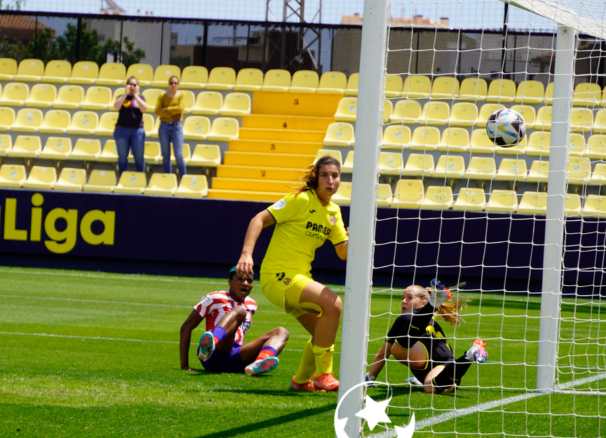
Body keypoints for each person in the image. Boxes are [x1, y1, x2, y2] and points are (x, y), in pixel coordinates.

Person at [236, 155, 349, 392]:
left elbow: (343, 253)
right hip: (278, 276)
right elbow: (258, 219)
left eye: (335, 176)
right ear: (316, 178)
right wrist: (246, 254)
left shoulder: (334, 212)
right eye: (325, 175)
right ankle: (324, 375)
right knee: (335, 304)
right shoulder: (300, 200)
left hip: (299, 279)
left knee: (322, 331)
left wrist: (356, 235)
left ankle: (301, 380)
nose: (330, 180)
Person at [366, 281, 487, 394]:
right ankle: (468, 357)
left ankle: (433, 304)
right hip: (440, 365)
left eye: (409, 298)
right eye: (402, 297)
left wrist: (370, 378)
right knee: (430, 386)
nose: (403, 301)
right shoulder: (427, 320)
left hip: (441, 363)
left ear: (424, 303)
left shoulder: (406, 319)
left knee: (396, 348)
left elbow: (383, 353)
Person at [180, 266, 289, 375]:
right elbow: (186, 327)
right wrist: (184, 365)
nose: (245, 283)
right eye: (240, 279)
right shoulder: (214, 298)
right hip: (213, 354)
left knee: (282, 332)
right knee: (240, 312)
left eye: (249, 281)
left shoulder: (252, 304)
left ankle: (259, 362)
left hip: (235, 357)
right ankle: (213, 341)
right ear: (230, 282)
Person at [111, 76, 147, 174]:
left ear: (137, 87)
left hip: (137, 130)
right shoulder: (121, 97)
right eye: (130, 84)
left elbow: (144, 108)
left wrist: (135, 95)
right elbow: (116, 107)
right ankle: (122, 177)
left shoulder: (141, 98)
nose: (132, 86)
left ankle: (140, 179)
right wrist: (126, 94)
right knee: (122, 156)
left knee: (139, 157)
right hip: (122, 130)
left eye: (134, 85)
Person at [155, 75, 187, 176]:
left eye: (175, 83)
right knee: (165, 155)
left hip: (176, 125)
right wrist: (173, 111)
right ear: (168, 84)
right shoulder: (162, 96)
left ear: (178, 85)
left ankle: (183, 178)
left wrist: (167, 109)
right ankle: (168, 178)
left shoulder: (182, 95)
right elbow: (157, 110)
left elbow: (180, 108)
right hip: (164, 125)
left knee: (178, 154)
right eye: (171, 83)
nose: (173, 85)